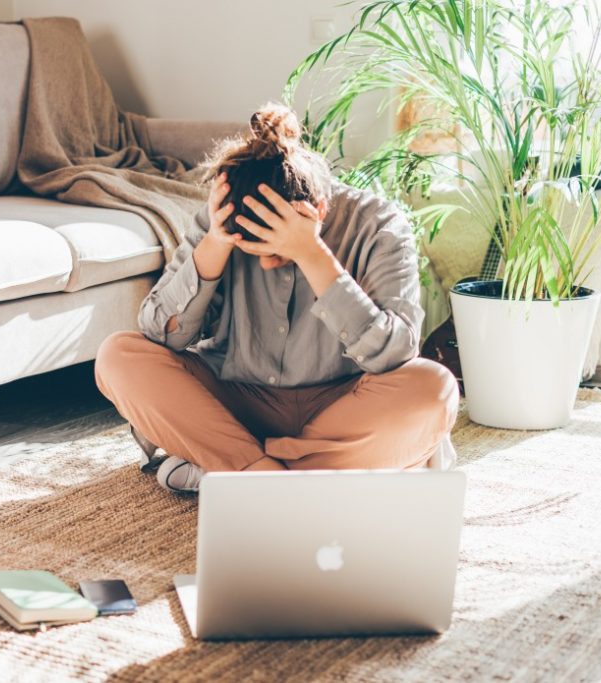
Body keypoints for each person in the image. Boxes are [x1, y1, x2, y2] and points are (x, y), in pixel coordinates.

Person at [94, 103, 460, 493]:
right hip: (236, 402)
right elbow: (159, 333)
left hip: (344, 404)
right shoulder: (222, 216)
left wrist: (312, 254)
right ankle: (271, 474)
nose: (266, 265)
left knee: (433, 388)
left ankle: (225, 468)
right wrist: (216, 244)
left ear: (318, 210)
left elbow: (395, 353)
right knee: (119, 356)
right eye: (255, 252)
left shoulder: (379, 224)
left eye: (275, 249)